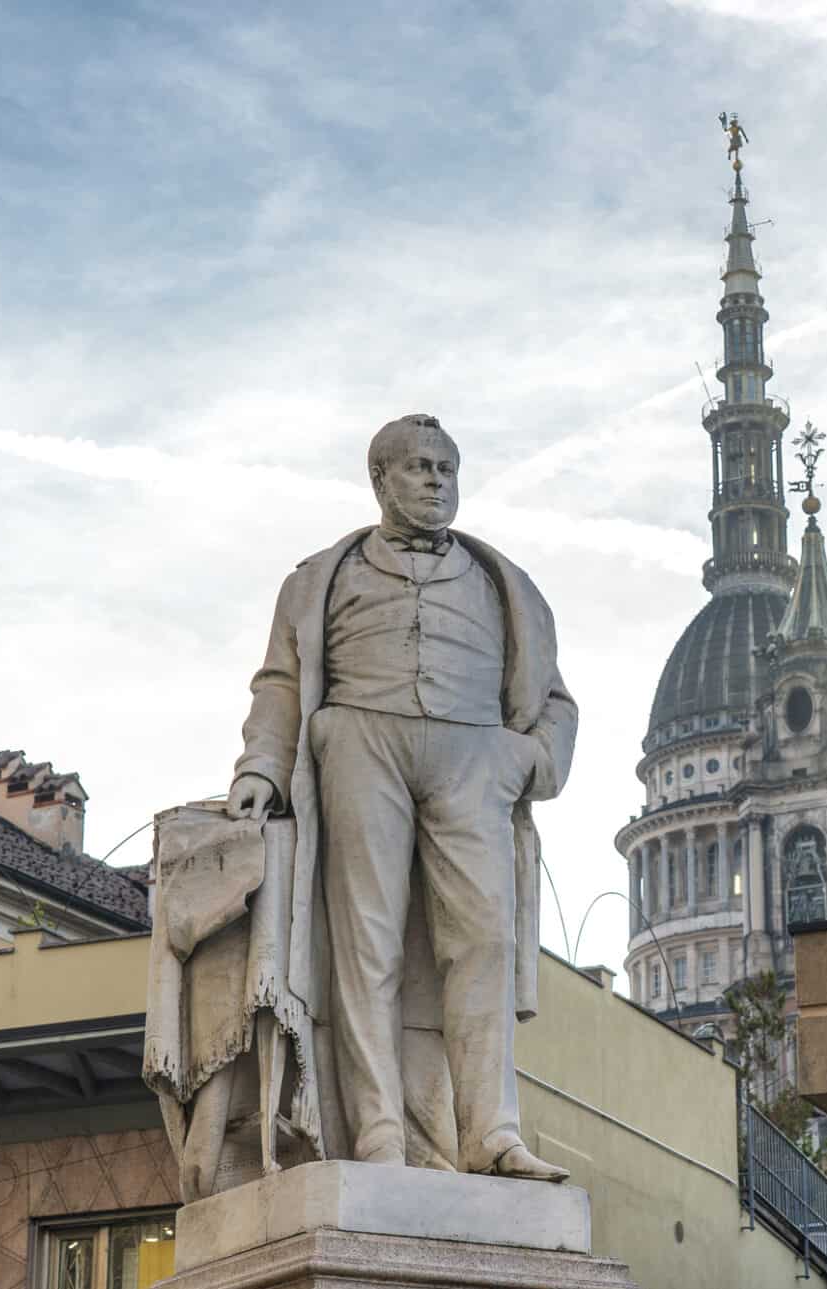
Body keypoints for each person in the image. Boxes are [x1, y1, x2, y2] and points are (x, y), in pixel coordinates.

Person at [228, 414, 576, 1181]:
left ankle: (492, 1133)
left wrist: (528, 757)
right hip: (359, 743)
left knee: (483, 938)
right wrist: (261, 765)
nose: (435, 481)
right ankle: (378, 1134)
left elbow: (552, 696)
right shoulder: (320, 577)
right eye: (417, 467)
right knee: (367, 946)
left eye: (446, 468)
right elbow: (281, 682)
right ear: (379, 480)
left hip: (473, 754)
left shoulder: (502, 583)